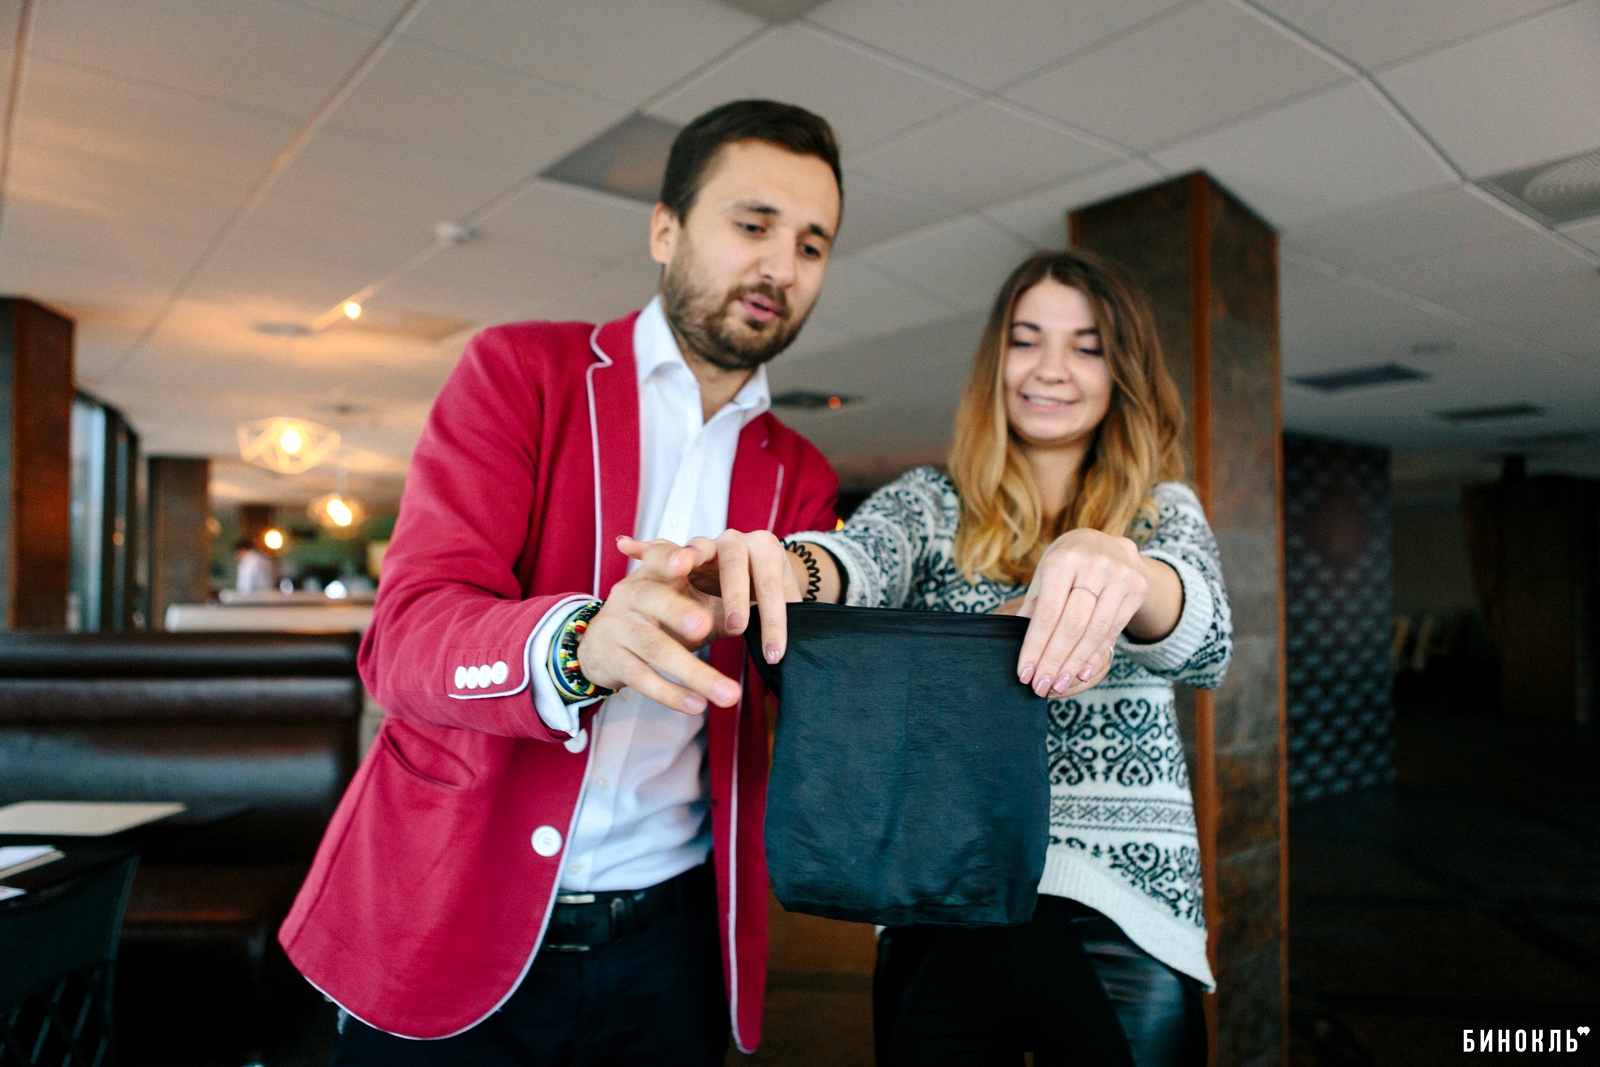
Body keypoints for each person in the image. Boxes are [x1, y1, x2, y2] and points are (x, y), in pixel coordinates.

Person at [279, 99, 845, 1065]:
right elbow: (405, 640)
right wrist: (580, 646)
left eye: (811, 244)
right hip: (448, 908)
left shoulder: (803, 472)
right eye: (753, 225)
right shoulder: (521, 372)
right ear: (664, 229)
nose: (781, 267)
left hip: (671, 948)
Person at [626, 250, 1231, 1065]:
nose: (1051, 368)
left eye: (1086, 346)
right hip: (934, 897)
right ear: (996, 361)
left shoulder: (1160, 509)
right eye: (1026, 340)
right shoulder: (932, 502)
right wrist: (786, 567)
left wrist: (1124, 569)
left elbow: (1208, 640)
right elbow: (858, 561)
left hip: (1121, 914)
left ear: (1124, 371)